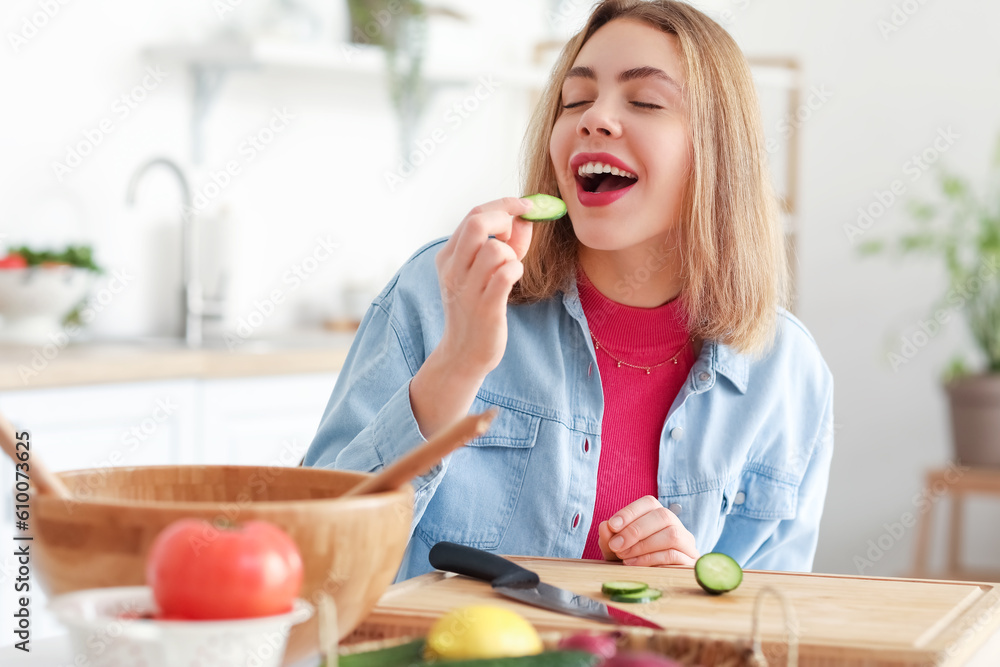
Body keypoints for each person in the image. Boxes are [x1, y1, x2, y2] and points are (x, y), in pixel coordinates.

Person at [304, 0, 834, 582]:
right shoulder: (439, 293)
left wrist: (692, 586)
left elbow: (775, 628)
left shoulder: (788, 371)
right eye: (575, 100)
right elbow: (310, 559)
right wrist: (457, 363)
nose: (594, 118)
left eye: (645, 102)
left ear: (718, 153)